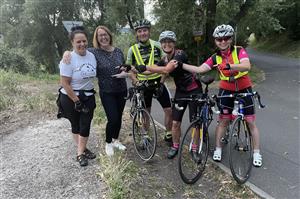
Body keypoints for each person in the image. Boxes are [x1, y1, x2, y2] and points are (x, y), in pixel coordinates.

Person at [177, 24, 263, 167]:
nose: (223, 41)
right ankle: (218, 148)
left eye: (226, 38)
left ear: (230, 39)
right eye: (219, 39)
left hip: (244, 87)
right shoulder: (215, 57)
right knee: (223, 120)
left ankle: (256, 152)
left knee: (250, 122)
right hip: (226, 89)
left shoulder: (239, 50)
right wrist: (181, 65)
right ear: (215, 41)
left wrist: (231, 66)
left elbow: (246, 66)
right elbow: (200, 69)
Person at [127, 31, 203, 159]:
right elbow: (148, 70)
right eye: (164, 42)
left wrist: (145, 66)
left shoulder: (179, 54)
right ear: (161, 44)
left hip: (194, 90)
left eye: (169, 42)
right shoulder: (164, 59)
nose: (167, 44)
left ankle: (194, 149)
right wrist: (131, 68)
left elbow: (167, 70)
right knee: (175, 123)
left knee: (195, 122)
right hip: (181, 91)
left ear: (174, 43)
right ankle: (175, 146)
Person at [62, 25, 127, 157]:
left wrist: (126, 73)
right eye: (100, 35)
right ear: (96, 38)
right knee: (113, 118)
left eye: (105, 34)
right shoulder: (94, 52)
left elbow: (124, 67)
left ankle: (115, 140)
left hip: (121, 89)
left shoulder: (119, 51)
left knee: (119, 117)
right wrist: (66, 53)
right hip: (106, 91)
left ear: (110, 35)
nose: (103, 37)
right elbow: (78, 49)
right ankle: (108, 142)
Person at [126, 19, 173, 143]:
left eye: (145, 30)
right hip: (143, 84)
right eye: (140, 31)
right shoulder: (132, 50)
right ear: (136, 33)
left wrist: (162, 82)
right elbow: (129, 69)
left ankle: (168, 133)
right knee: (146, 112)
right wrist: (135, 81)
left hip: (158, 81)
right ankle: (145, 135)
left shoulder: (158, 45)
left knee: (168, 109)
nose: (143, 33)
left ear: (149, 31)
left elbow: (167, 66)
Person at [59, 26, 97, 167]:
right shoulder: (68, 59)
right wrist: (76, 100)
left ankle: (80, 153)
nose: (82, 44)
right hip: (69, 96)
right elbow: (64, 82)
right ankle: (82, 151)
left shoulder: (92, 55)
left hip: (88, 96)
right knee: (75, 125)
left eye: (84, 41)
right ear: (72, 43)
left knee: (85, 124)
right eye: (78, 42)